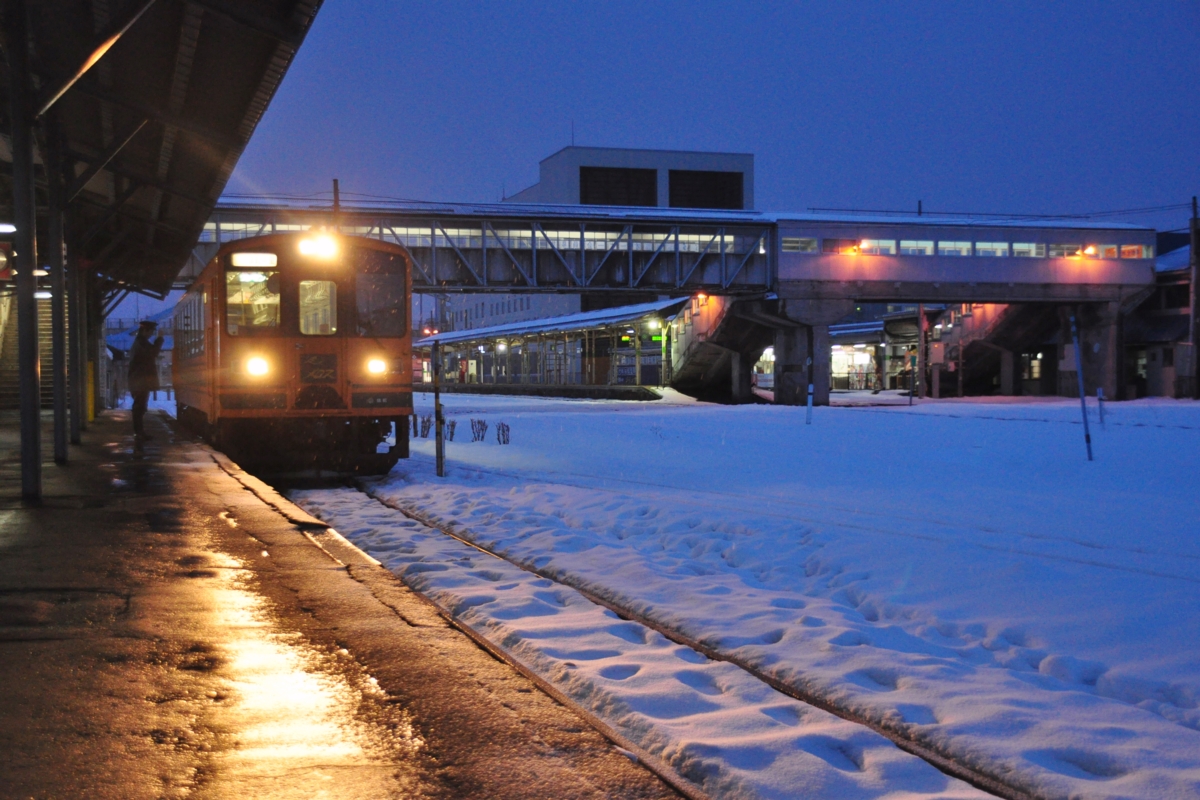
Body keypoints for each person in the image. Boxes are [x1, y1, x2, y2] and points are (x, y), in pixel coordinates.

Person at [128, 320, 164, 440]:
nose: (151, 334)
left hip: (139, 380)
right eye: (151, 331)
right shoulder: (141, 343)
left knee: (140, 407)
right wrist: (159, 340)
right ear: (145, 330)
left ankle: (140, 432)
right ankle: (138, 433)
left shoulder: (140, 342)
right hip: (140, 381)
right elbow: (153, 353)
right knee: (139, 407)